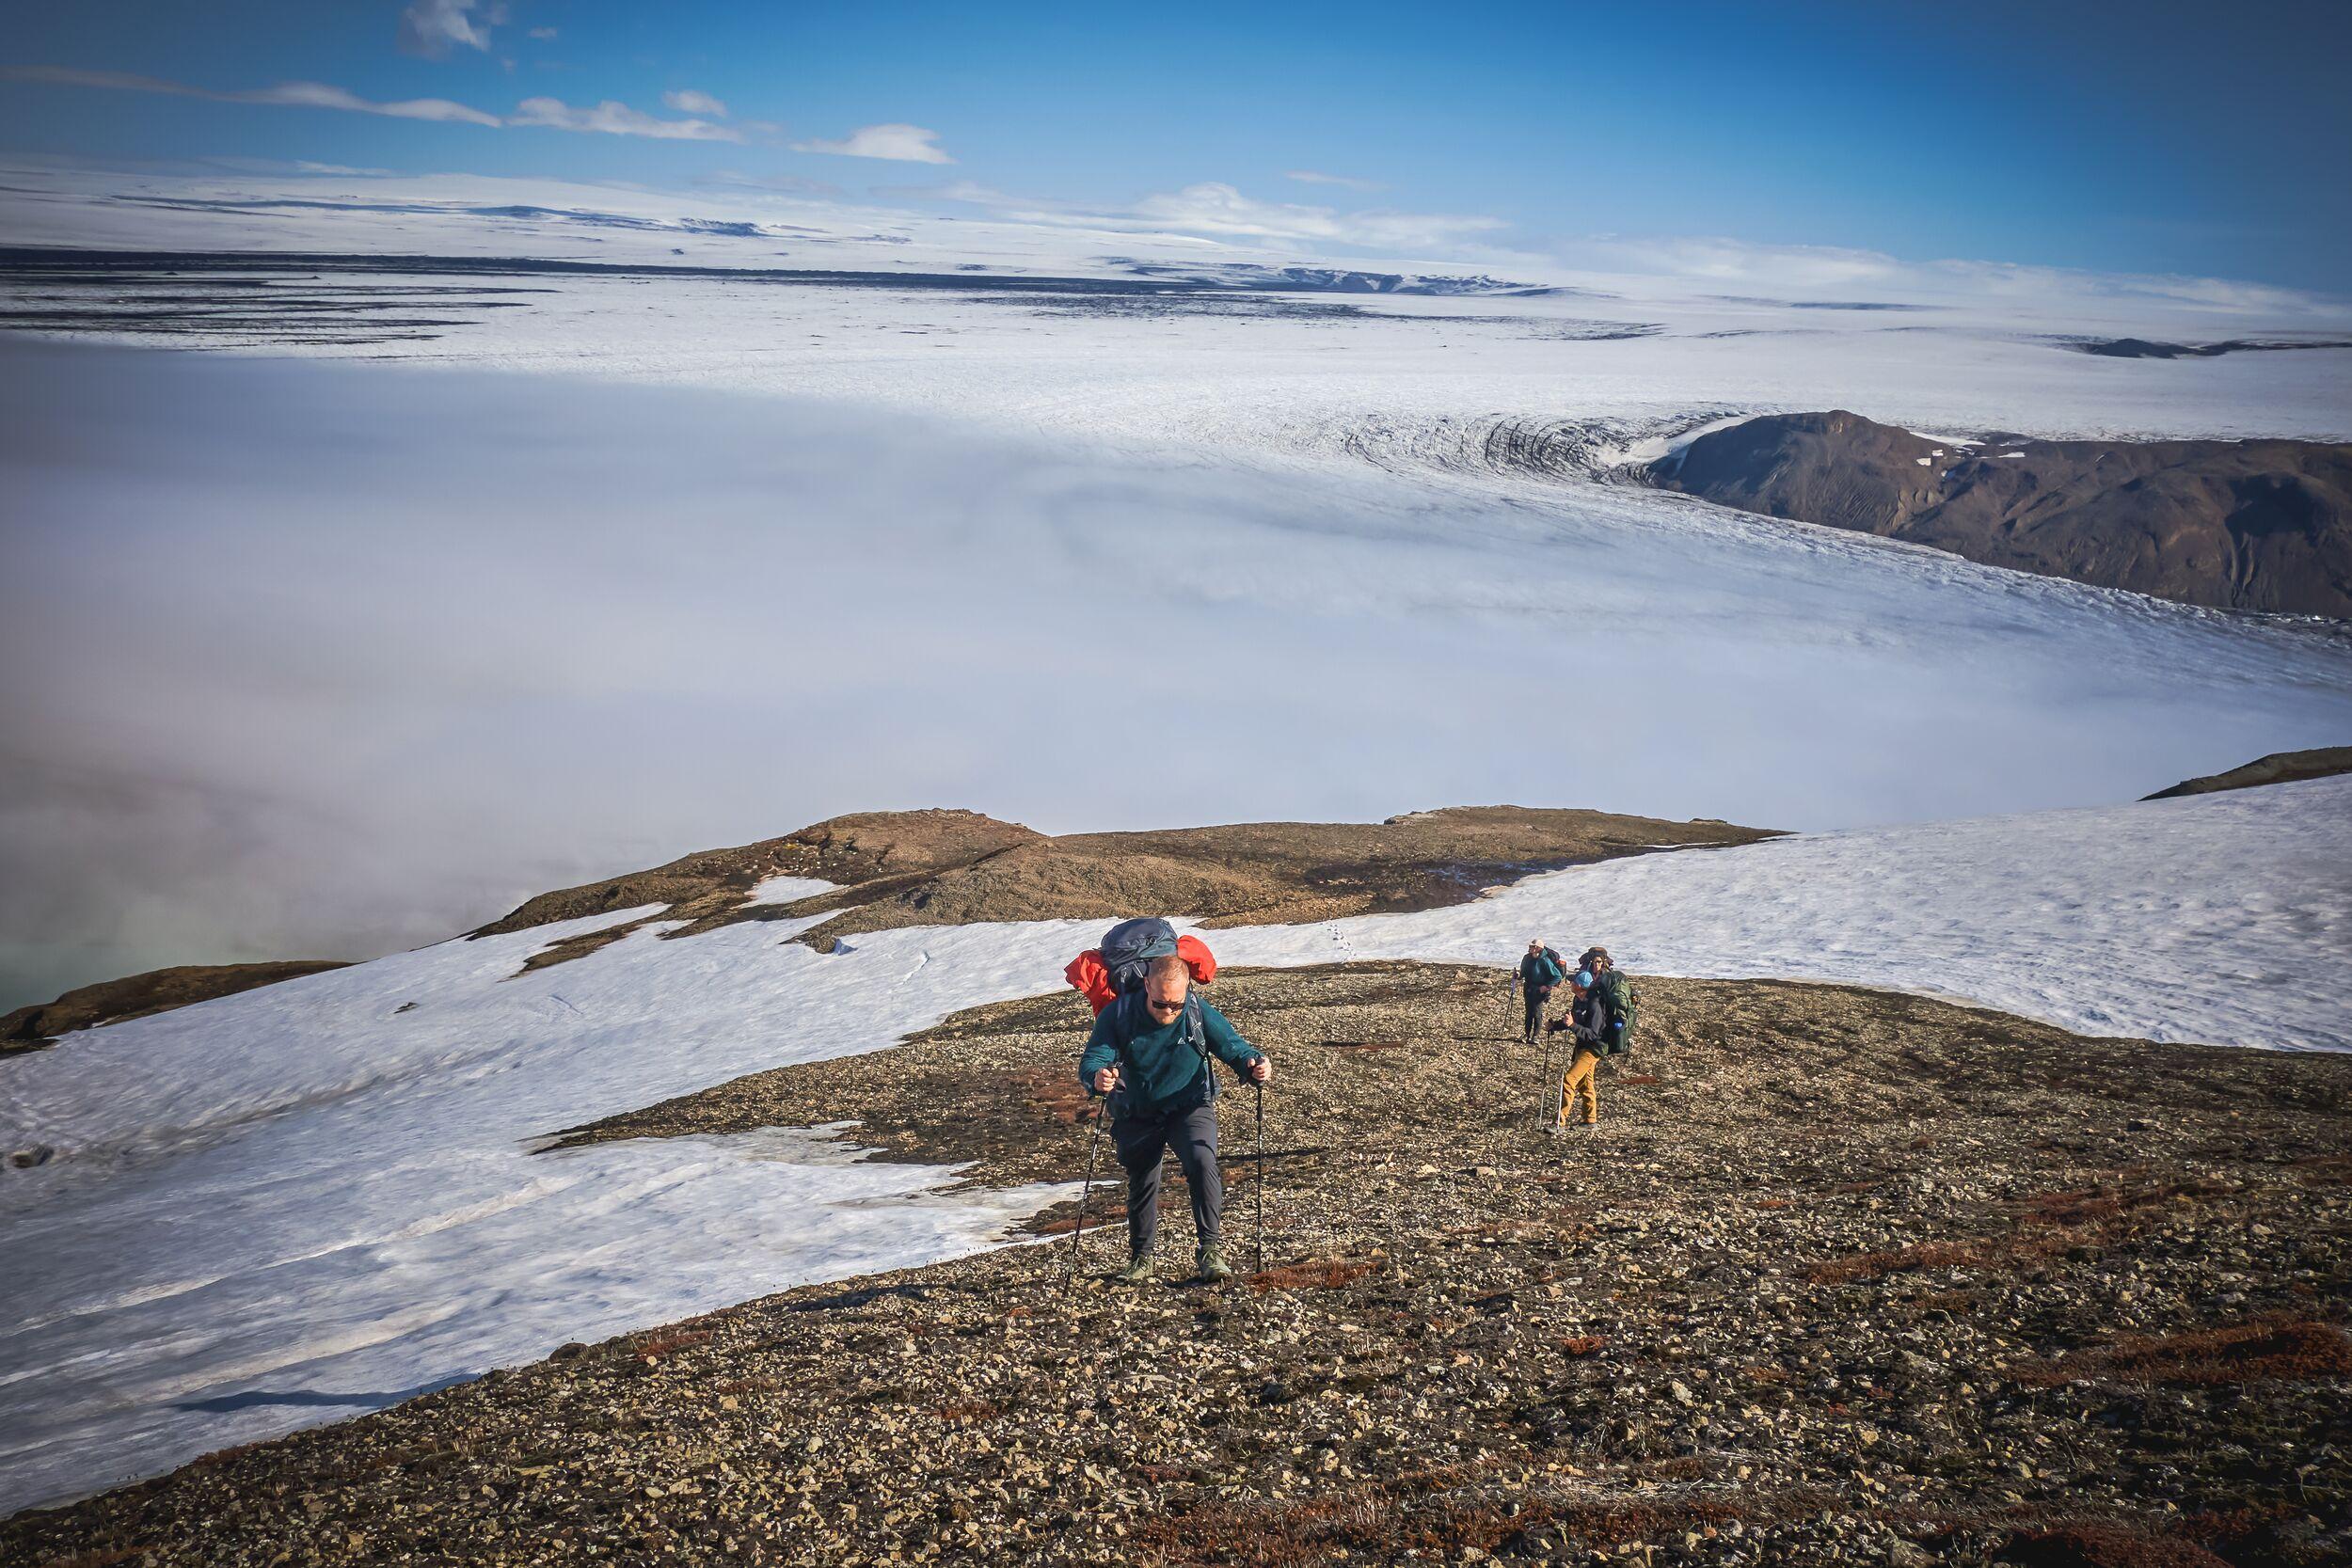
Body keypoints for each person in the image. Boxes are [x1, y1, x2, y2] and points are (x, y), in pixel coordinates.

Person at [1078, 952, 1271, 1283]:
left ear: (1187, 991)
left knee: (1202, 1161)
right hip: (1137, 1110)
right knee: (1142, 1179)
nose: (1169, 1011)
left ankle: (1210, 1251)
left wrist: (1255, 1063)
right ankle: (1141, 1259)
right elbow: (1094, 1058)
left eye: (1176, 1005)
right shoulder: (1118, 1015)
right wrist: (1097, 1077)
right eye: (1161, 1004)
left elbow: (1233, 1047)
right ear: (1146, 986)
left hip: (1189, 1103)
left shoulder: (1196, 1010)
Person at [1554, 946, 1635, 1131]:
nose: (1571, 984)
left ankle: (1559, 1122)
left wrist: (1573, 1026)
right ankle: (1590, 1121)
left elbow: (1592, 1033)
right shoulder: (1579, 1000)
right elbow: (1573, 1020)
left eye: (1573, 982)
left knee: (1569, 1080)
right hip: (1583, 1046)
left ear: (1580, 987)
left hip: (1594, 1048)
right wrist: (1557, 1026)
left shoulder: (1595, 1005)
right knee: (1586, 1083)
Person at [1518, 939, 1565, 1046]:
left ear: (1538, 948)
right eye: (1530, 946)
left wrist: (1547, 986)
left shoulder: (1545, 960)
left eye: (1532, 946)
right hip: (1528, 988)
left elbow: (1557, 976)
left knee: (1537, 1012)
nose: (1530, 947)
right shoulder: (1527, 958)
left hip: (1539, 990)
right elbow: (1523, 972)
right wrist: (1518, 976)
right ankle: (1527, 1034)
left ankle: (1535, 1035)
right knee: (1529, 1012)